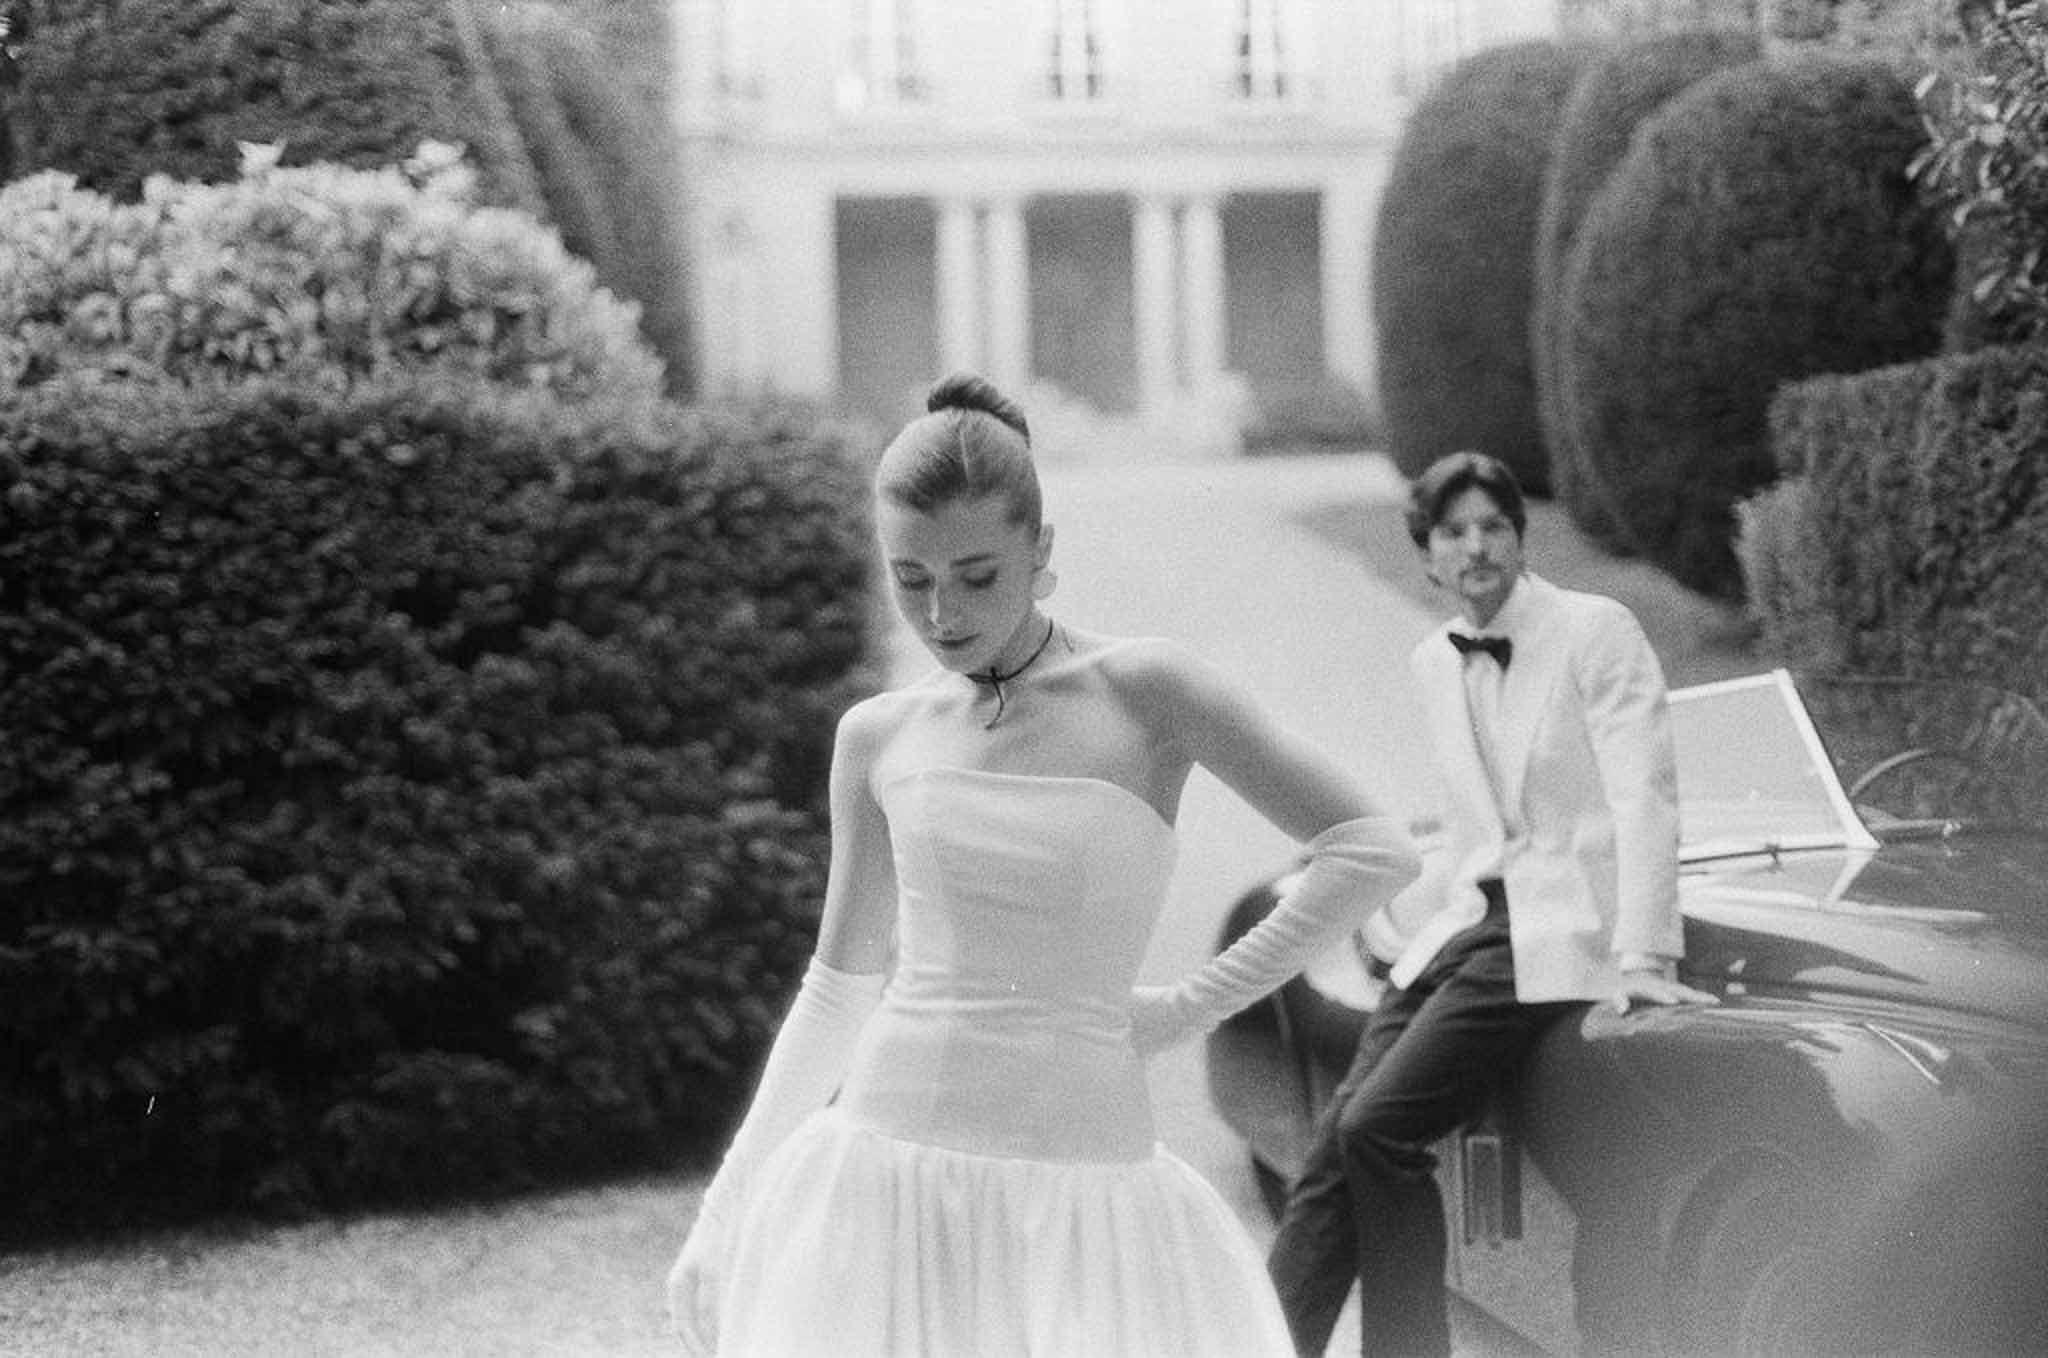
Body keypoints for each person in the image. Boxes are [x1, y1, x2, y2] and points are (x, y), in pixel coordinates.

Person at [665, 371, 1421, 1358]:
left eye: (976, 574)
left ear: (1041, 551)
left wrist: (1184, 1005)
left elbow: (1371, 848)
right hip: (885, 1163)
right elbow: (836, 986)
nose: (941, 613)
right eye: (910, 577)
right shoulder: (878, 735)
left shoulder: (1146, 692)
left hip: (1082, 1170)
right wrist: (724, 1208)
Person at [1266, 450, 1719, 1358]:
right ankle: (1257, 1342)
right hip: (1468, 927)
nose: (1476, 548)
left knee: (1377, 1129)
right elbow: (1475, 829)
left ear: (1518, 536)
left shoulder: (1597, 629)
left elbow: (1645, 796)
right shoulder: (1433, 659)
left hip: (1554, 931)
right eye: (1453, 533)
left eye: (1494, 528)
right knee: (1330, 1156)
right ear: (1427, 557)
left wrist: (1645, 953)